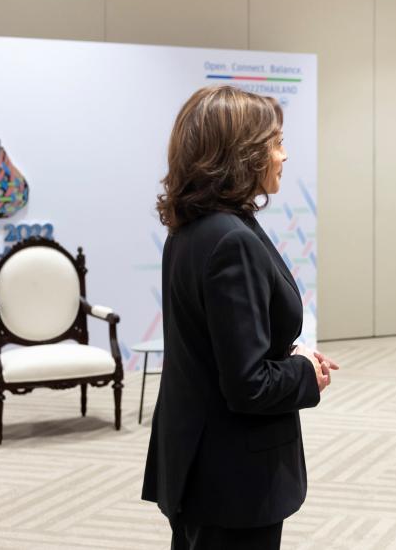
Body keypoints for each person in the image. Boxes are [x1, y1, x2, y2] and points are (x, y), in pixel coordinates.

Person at [142, 85, 337, 549]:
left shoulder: (191, 230)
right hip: (231, 477)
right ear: (242, 153)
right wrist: (305, 373)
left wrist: (283, 351)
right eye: (276, 143)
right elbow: (248, 385)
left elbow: (216, 345)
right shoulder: (232, 241)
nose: (284, 155)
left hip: (195, 462)